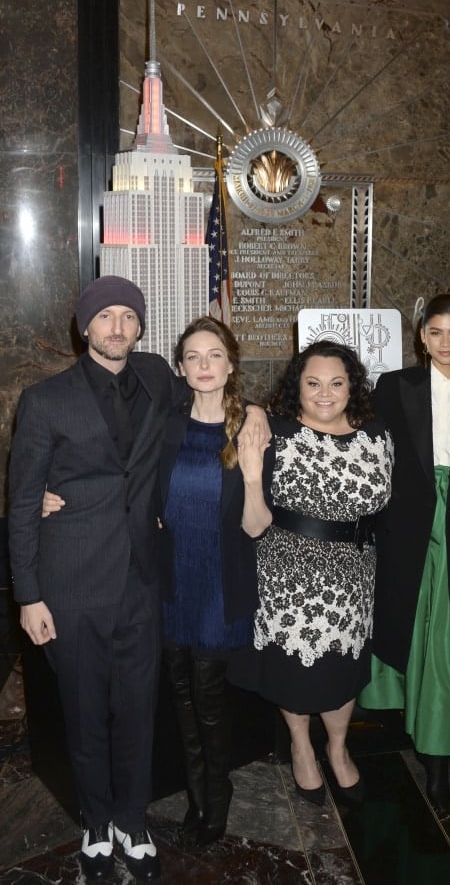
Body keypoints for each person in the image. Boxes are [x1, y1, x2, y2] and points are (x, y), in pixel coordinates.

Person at [10, 278, 267, 882]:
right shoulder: (45, 399)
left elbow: (215, 382)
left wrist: (254, 409)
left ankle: (132, 816)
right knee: (83, 710)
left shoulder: (158, 379)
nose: (118, 327)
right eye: (106, 317)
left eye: (129, 316)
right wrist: (28, 594)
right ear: (85, 327)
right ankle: (97, 821)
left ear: (141, 328)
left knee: (135, 711)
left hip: (145, 583)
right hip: (70, 585)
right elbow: (21, 502)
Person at [228, 340, 393, 806]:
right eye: (313, 383)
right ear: (296, 386)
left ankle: (337, 749)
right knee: (294, 674)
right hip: (289, 576)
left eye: (337, 383)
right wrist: (254, 423)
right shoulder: (273, 432)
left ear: (352, 386)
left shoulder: (378, 433)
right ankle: (301, 746)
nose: (325, 393)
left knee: (343, 671)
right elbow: (253, 521)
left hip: (356, 573)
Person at [358, 293, 450, 812]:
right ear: (422, 336)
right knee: (408, 622)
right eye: (435, 333)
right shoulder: (395, 387)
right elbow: (371, 453)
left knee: (448, 633)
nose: (445, 342)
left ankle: (439, 761)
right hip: (405, 526)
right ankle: (405, 716)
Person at [158, 316, 272, 847]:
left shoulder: (249, 428)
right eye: (194, 357)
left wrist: (251, 473)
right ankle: (196, 793)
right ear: (181, 368)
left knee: (208, 699)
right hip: (171, 581)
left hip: (219, 585)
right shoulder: (166, 424)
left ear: (230, 364)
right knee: (179, 696)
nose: (204, 366)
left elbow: (255, 526)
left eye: (214, 355)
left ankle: (217, 793)